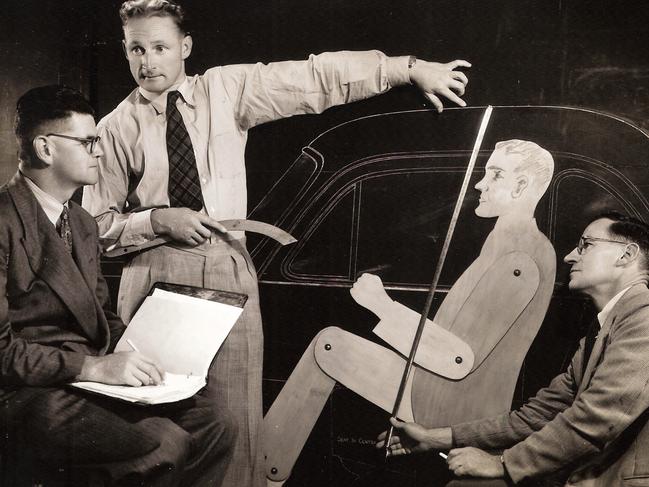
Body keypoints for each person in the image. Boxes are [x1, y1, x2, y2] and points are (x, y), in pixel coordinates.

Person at [81, 0, 471, 484]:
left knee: (236, 421)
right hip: (154, 278)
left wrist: (405, 69)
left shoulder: (224, 89)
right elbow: (94, 226)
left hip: (227, 266)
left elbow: (311, 79)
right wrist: (158, 221)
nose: (148, 61)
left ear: (185, 47)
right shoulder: (115, 127)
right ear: (124, 51)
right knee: (161, 423)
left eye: (160, 47)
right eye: (136, 49)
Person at [263, 140, 557, 482]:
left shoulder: (520, 257)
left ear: (521, 186)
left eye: (495, 174)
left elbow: (458, 359)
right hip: (445, 388)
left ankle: (258, 476)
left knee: (327, 347)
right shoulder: (507, 242)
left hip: (450, 399)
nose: (480, 183)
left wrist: (382, 306)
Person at [0, 85, 236, 487]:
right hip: (25, 392)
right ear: (45, 148)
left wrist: (155, 356)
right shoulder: (4, 219)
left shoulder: (82, 223)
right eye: (88, 141)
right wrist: (92, 366)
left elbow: (100, 314)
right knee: (161, 442)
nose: (100, 151)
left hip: (82, 380)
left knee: (215, 422)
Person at [378, 212, 649, 487]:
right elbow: (541, 414)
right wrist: (436, 437)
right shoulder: (606, 326)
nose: (569, 257)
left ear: (626, 255)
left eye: (585, 245)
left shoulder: (644, 319)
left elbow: (598, 418)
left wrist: (502, 463)